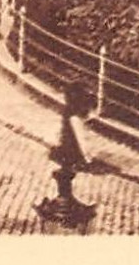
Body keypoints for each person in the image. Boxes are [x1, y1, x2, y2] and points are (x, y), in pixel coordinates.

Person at [36, 86, 99, 228]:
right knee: (68, 170)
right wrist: (88, 157)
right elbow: (81, 139)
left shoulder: (67, 113)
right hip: (72, 150)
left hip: (65, 147)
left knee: (66, 171)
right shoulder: (75, 117)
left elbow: (60, 131)